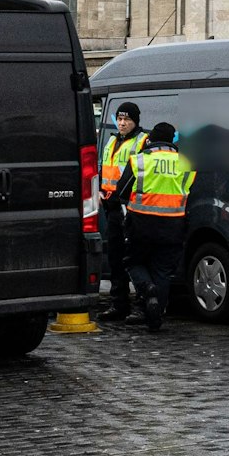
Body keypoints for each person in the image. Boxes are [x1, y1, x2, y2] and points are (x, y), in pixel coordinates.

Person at [120, 121, 195, 332]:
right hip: (174, 226)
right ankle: (155, 316)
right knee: (162, 271)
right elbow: (188, 193)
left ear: (151, 138)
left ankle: (147, 290)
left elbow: (122, 190)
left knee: (133, 262)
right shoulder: (186, 163)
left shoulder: (141, 160)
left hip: (141, 224)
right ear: (172, 141)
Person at [98, 102, 147, 321]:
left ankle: (143, 304)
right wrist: (99, 190)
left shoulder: (142, 140)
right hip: (111, 207)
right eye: (119, 119)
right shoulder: (111, 140)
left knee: (134, 257)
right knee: (115, 256)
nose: (122, 123)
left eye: (126, 119)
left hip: (130, 208)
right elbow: (105, 169)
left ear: (135, 120)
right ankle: (119, 303)